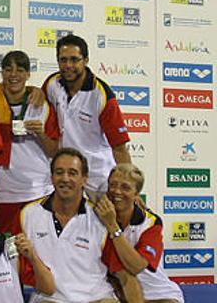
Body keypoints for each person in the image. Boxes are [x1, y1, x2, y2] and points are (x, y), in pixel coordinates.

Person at [20, 148, 138, 303]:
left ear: (85, 179)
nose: (65, 178)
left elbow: (125, 275)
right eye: (59, 172)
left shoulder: (101, 216)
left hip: (97, 299)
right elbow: (16, 267)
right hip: (50, 299)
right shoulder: (28, 214)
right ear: (52, 177)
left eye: (73, 173)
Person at [42, 34, 131, 193]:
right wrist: (32, 91)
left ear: (86, 60)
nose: (68, 65)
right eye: (63, 60)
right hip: (66, 176)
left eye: (74, 59)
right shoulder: (52, 84)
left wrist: (130, 187)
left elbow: (119, 148)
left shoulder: (102, 95)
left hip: (97, 179)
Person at [0, 51, 60, 233]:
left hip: (38, 190)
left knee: (40, 249)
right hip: (4, 193)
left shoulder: (42, 105)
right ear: (2, 73)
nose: (13, 75)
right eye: (8, 69)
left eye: (20, 70)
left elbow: (54, 151)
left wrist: (41, 134)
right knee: (9, 250)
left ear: (28, 74)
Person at [93, 164, 184, 303]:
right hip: (118, 293)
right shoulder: (97, 219)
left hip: (157, 293)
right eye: (113, 185)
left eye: (125, 187)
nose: (117, 191)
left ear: (136, 194)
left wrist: (113, 226)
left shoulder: (151, 222)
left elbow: (136, 267)